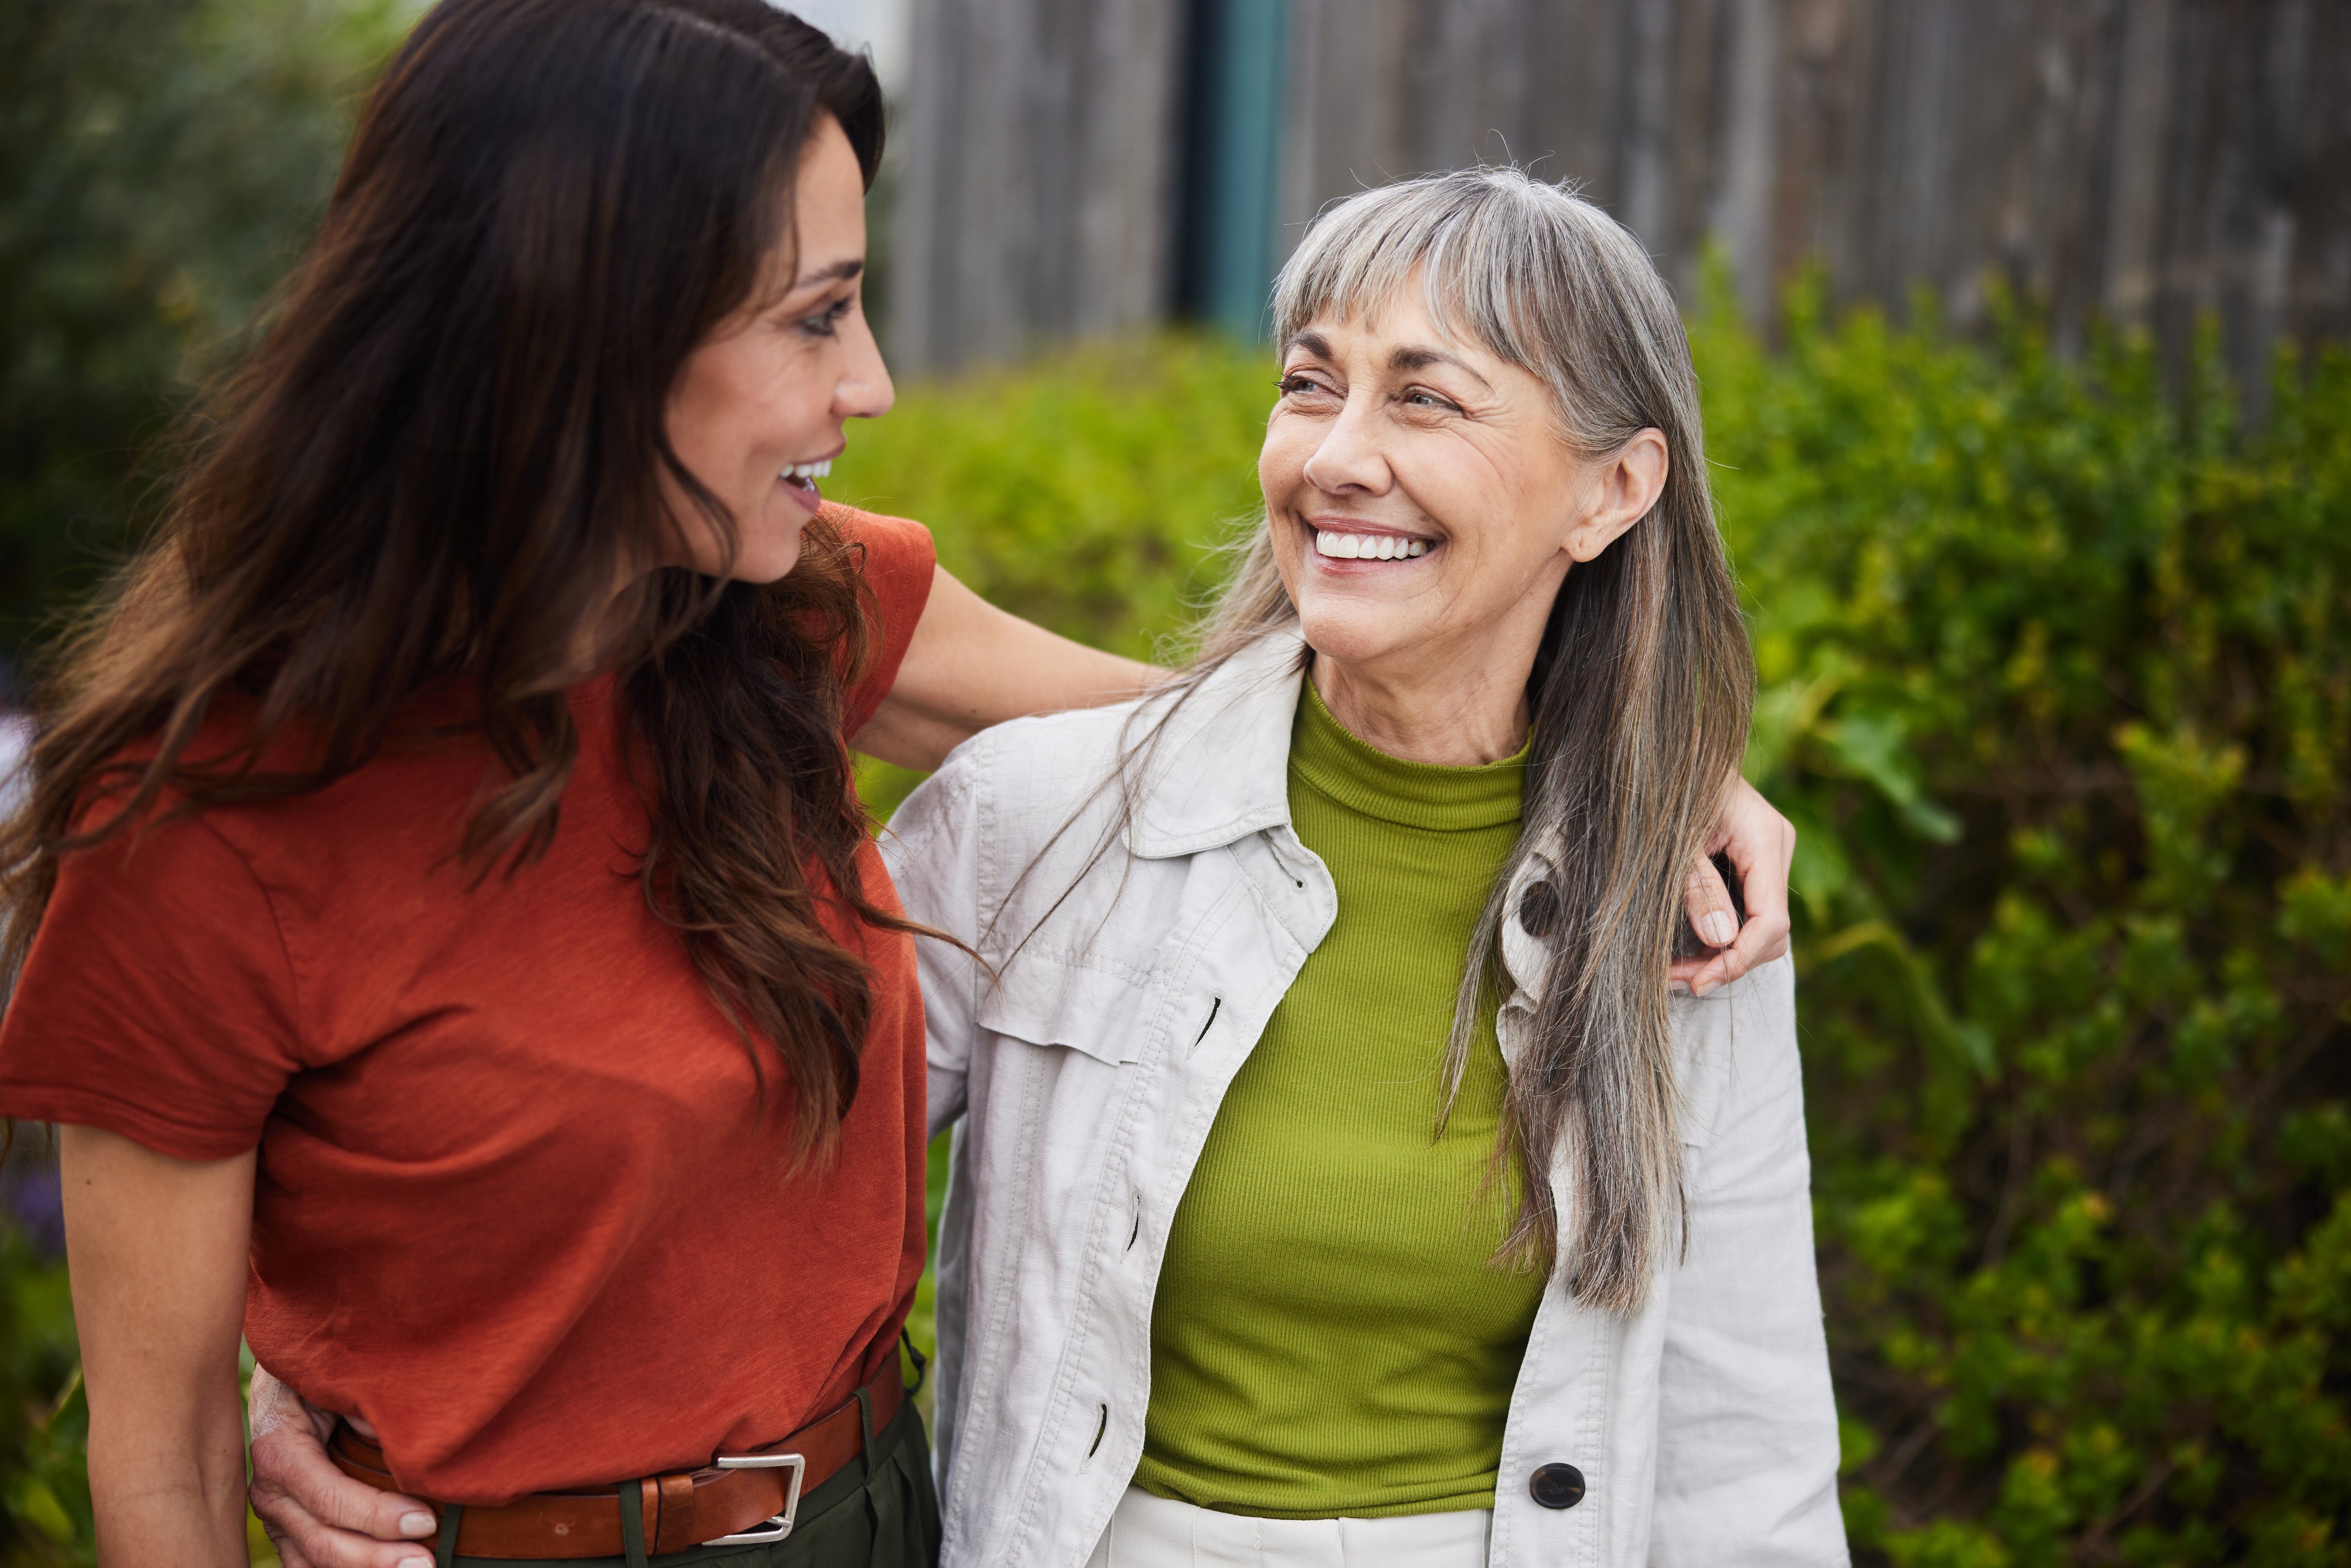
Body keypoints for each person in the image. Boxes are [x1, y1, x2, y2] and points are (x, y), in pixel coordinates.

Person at [45, 10, 1799, 1568]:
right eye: (815, 315)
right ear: (579, 332)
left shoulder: (789, 607)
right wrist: (318, 1388)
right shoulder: (209, 821)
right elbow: (168, 1452)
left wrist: (1628, 760)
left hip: (870, 1520)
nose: (873, 382)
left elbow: (1231, 742)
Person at [883, 169, 1845, 1567]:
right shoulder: (1039, 821)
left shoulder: (1682, 914)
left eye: (1425, 397)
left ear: (1613, 489)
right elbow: (716, 1172)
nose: (1333, 455)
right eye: (1307, 385)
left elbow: (1740, 1453)